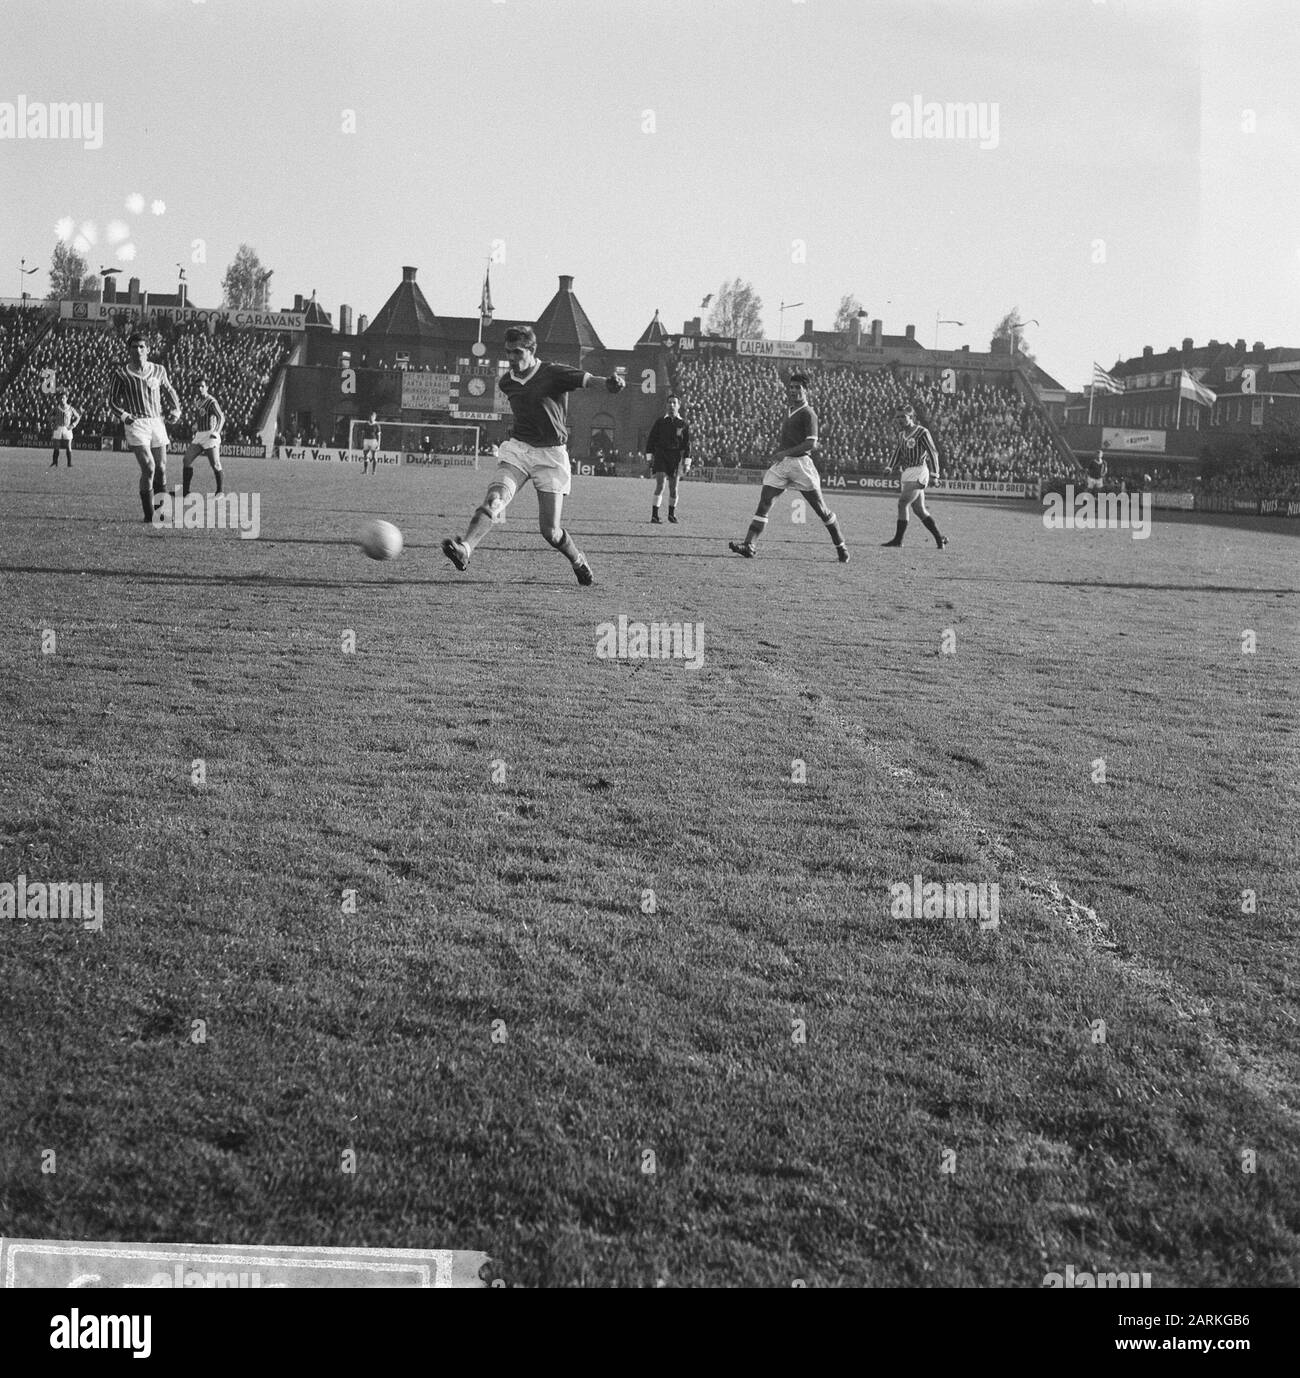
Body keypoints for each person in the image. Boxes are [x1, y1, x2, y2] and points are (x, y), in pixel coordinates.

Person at [441, 325, 625, 586]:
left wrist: (608, 383)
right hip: (519, 450)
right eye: (508, 353)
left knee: (550, 532)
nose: (511, 358)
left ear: (531, 350)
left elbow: (586, 379)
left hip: (551, 457)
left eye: (517, 352)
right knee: (495, 499)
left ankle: (578, 560)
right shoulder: (507, 382)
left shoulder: (553, 372)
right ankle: (465, 549)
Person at [728, 371, 848, 562]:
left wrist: (785, 452)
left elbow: (811, 443)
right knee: (765, 502)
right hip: (783, 465)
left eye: (797, 388)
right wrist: (782, 453)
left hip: (801, 465)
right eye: (791, 387)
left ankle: (841, 546)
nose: (792, 391)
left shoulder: (809, 413)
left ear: (806, 390)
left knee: (821, 510)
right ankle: (749, 545)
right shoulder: (789, 409)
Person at [109, 332, 182, 522]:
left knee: (161, 468)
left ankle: (162, 512)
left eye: (142, 347)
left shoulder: (159, 370)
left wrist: (176, 410)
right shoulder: (121, 374)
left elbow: (170, 390)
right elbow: (112, 401)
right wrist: (125, 417)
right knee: (149, 467)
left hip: (157, 422)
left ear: (148, 350)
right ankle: (149, 516)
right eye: (134, 347)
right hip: (136, 424)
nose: (138, 350)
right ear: (129, 350)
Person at [882, 404, 948, 549]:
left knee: (902, 503)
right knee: (919, 509)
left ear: (910, 417)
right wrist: (889, 466)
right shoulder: (901, 435)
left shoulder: (922, 432)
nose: (900, 420)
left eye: (903, 417)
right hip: (907, 472)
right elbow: (898, 452)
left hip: (920, 471)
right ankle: (939, 539)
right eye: (898, 417)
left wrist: (934, 475)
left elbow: (933, 452)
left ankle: (898, 540)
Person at [645, 394, 692, 523]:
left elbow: (687, 445)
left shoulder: (683, 424)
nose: (671, 405)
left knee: (674, 488)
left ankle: (671, 514)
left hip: (675, 458)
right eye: (669, 402)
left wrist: (687, 462)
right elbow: (651, 441)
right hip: (660, 455)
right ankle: (654, 515)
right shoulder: (660, 422)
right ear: (666, 405)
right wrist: (649, 457)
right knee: (660, 484)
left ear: (678, 406)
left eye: (674, 403)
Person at [182, 379, 226, 497]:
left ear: (207, 387)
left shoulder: (211, 401)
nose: (199, 389)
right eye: (197, 387)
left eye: (202, 386)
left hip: (210, 435)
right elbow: (202, 417)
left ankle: (220, 491)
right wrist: (196, 425)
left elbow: (221, 418)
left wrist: (216, 432)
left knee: (215, 463)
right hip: (199, 435)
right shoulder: (198, 402)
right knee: (186, 460)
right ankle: (185, 492)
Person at [49, 391, 80, 468]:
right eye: (61, 398)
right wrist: (52, 424)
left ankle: (69, 463)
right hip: (58, 427)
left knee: (68, 446)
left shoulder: (71, 408)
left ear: (66, 399)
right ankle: (54, 462)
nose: (62, 399)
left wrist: (73, 425)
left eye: (64, 398)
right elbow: (48, 416)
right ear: (59, 399)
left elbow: (78, 417)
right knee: (56, 446)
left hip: (67, 428)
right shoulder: (56, 408)